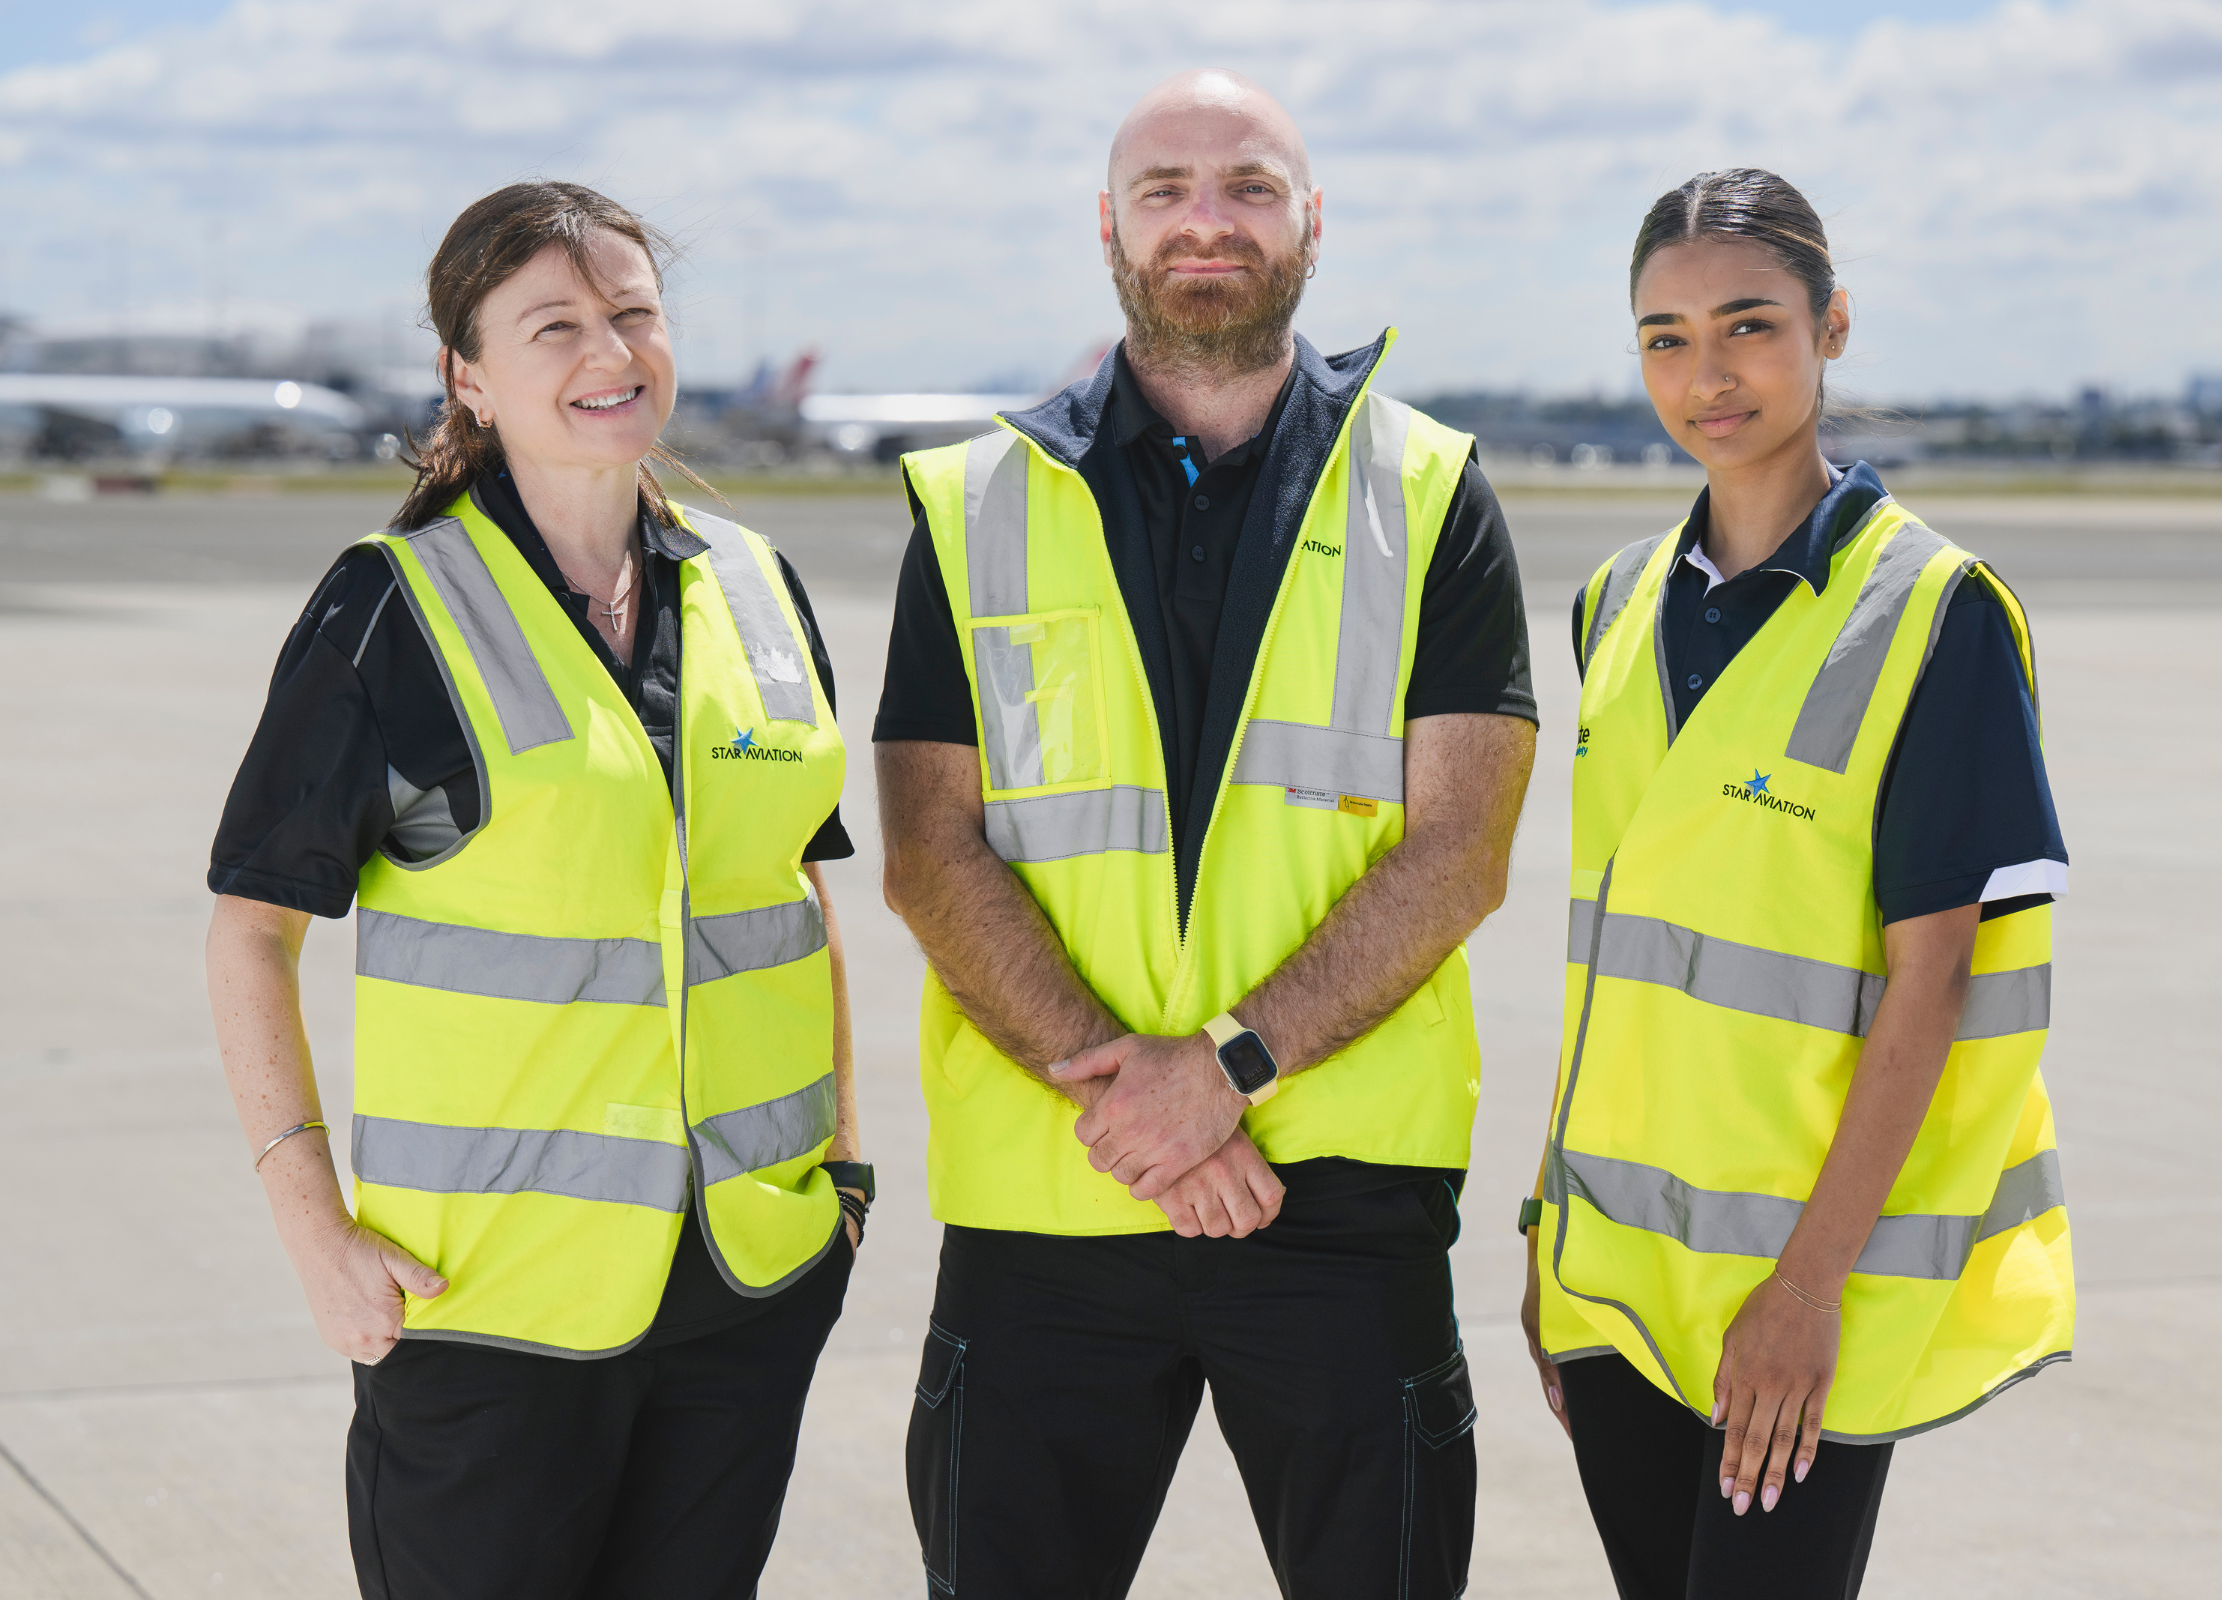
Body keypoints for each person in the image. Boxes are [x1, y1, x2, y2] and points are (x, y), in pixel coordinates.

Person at [874, 68, 1537, 1600]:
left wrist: (1222, 1072)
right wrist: (1137, 1107)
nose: (1206, 222)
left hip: (1333, 1193)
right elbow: (928, 850)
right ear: (1108, 226)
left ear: (1313, 221)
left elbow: (1462, 847)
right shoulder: (975, 504)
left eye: (1248, 186)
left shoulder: (1429, 493)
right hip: (1055, 1190)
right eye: (1165, 190)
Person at [204, 181, 871, 1600]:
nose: (609, 351)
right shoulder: (394, 606)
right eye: (554, 325)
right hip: (491, 1304)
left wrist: (846, 1177)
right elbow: (252, 933)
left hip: (748, 1279)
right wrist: (314, 1234)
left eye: (633, 312)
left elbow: (796, 899)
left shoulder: (758, 588)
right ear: (470, 375)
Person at [1518, 167, 2076, 1599]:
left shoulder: (1935, 615)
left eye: (1749, 326)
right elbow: (1615, 962)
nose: (1706, 376)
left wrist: (1807, 1290)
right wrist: (1546, 1229)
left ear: (1832, 328)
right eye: (1665, 338)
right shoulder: (1615, 605)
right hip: (1615, 1277)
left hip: (1800, 1291)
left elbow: (1935, 985)